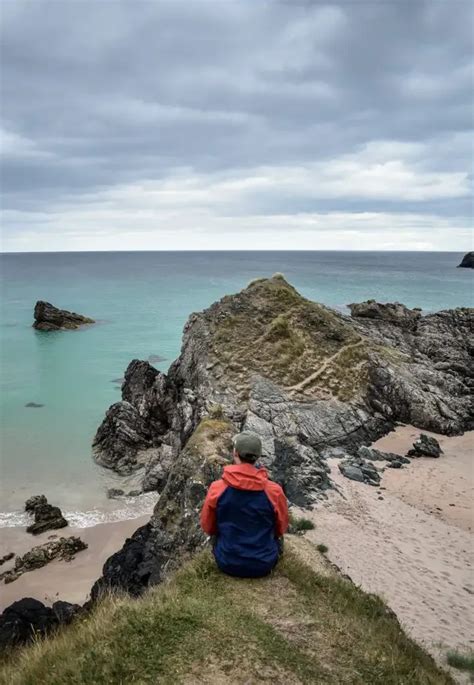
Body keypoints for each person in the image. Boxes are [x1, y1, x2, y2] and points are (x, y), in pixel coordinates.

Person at [200, 431, 289, 578]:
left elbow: (207, 526)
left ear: (235, 453)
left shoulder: (217, 488)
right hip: (264, 564)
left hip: (226, 562)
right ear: (258, 456)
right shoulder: (274, 491)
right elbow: (281, 528)